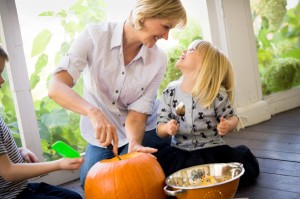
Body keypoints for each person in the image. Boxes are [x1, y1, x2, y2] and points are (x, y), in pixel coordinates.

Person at [48, 0, 187, 188]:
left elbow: (138, 115)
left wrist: (135, 145)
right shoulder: (94, 37)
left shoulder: (158, 59)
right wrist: (93, 112)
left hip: (144, 129)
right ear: (144, 15)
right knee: (90, 181)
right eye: (165, 27)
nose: (166, 36)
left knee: (154, 174)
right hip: (105, 137)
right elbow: (56, 87)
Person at [156, 40, 260, 186]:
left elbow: (233, 118)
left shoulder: (215, 93)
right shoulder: (170, 91)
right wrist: (167, 128)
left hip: (211, 151)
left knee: (213, 178)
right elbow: (160, 128)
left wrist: (228, 125)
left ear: (204, 66)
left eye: (191, 50)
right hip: (180, 151)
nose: (184, 51)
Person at [0, 45, 84, 199]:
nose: (2, 80)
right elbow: (8, 172)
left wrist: (18, 151)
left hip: (21, 188)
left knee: (75, 198)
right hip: (10, 196)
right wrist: (58, 164)